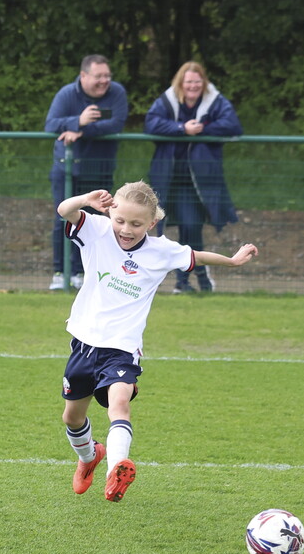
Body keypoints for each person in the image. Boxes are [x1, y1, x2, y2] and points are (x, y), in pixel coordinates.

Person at [56, 181, 257, 502]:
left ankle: (117, 467)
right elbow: (64, 211)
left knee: (119, 402)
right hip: (84, 342)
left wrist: (231, 261)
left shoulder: (161, 250)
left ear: (151, 223)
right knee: (72, 417)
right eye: (120, 220)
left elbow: (195, 256)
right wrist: (86, 200)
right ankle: (88, 457)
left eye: (136, 224)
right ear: (110, 214)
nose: (126, 229)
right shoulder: (96, 230)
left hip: (121, 348)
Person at [144, 61, 243, 294]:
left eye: (197, 81)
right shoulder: (167, 100)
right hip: (168, 177)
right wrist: (181, 129)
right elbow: (151, 124)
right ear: (181, 82)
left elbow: (232, 125)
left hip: (198, 180)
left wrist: (201, 129)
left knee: (191, 227)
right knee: (172, 230)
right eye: (189, 81)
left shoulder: (214, 101)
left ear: (204, 82)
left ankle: (186, 281)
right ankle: (194, 278)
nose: (193, 86)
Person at [45, 54, 128, 291]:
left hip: (100, 171)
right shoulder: (67, 94)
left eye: (107, 76)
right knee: (63, 219)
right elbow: (51, 124)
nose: (104, 81)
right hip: (67, 170)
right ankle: (60, 273)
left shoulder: (117, 93)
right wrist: (77, 120)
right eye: (98, 76)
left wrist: (81, 129)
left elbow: (117, 124)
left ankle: (86, 272)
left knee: (99, 223)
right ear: (83, 76)